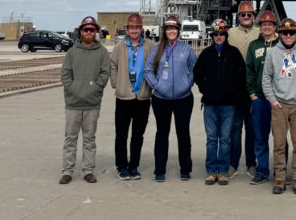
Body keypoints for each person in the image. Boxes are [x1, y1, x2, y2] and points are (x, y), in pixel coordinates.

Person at [262, 17, 296, 195]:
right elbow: (266, 78)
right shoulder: (272, 52)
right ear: (280, 34)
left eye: (291, 32)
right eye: (285, 32)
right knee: (279, 144)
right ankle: (280, 178)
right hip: (280, 105)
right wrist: (273, 100)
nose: (288, 35)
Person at [193, 19, 247, 185]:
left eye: (221, 34)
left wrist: (234, 93)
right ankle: (211, 171)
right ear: (212, 36)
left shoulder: (234, 53)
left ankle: (222, 171)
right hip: (210, 103)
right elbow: (197, 74)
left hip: (228, 104)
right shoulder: (206, 54)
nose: (218, 36)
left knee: (224, 138)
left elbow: (241, 75)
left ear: (225, 35)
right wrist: (205, 90)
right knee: (211, 139)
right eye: (215, 34)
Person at [144, 15, 197, 181]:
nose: (171, 31)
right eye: (168, 28)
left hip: (183, 98)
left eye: (174, 28)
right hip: (161, 99)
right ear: (164, 31)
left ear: (179, 31)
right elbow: (147, 70)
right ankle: (159, 170)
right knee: (162, 133)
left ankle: (185, 169)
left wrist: (186, 84)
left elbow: (195, 69)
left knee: (183, 133)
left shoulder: (186, 49)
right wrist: (157, 85)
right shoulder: (157, 50)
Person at [59, 16, 111, 184]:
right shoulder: (72, 52)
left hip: (92, 104)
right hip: (73, 104)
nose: (89, 32)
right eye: (86, 29)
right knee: (70, 138)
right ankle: (67, 171)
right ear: (80, 32)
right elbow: (65, 75)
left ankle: (88, 171)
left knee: (89, 139)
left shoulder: (102, 52)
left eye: (92, 29)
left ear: (96, 32)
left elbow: (104, 74)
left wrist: (94, 89)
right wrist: (74, 89)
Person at [109, 12, 155, 180]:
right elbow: (112, 65)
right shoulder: (120, 47)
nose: (134, 30)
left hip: (142, 98)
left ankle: (134, 166)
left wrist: (152, 85)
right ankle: (122, 166)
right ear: (127, 29)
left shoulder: (150, 46)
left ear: (141, 29)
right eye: (131, 27)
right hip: (123, 98)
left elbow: (155, 66)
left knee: (138, 135)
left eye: (137, 27)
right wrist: (116, 83)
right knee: (121, 134)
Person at [245, 10, 278, 184]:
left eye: (270, 24)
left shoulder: (282, 44)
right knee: (260, 137)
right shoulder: (254, 46)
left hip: (279, 100)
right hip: (260, 99)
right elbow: (249, 71)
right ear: (260, 27)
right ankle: (262, 171)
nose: (266, 27)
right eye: (264, 24)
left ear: (274, 27)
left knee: (280, 138)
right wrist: (252, 94)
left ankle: (280, 171)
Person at [228, 1, 260, 178]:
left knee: (252, 129)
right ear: (238, 16)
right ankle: (233, 163)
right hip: (235, 90)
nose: (246, 17)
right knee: (235, 127)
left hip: (254, 89)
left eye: (249, 15)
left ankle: (251, 163)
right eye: (243, 15)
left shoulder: (260, 33)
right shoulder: (230, 34)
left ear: (254, 16)